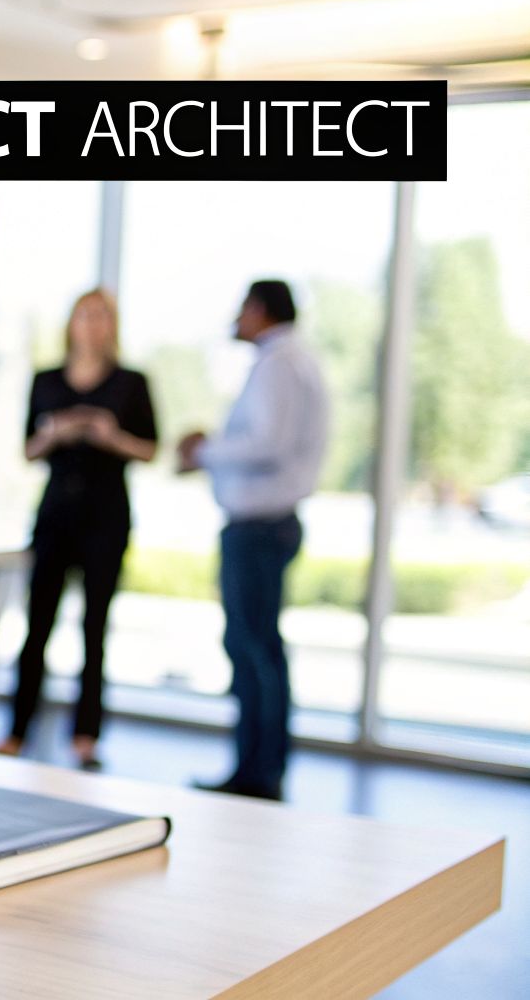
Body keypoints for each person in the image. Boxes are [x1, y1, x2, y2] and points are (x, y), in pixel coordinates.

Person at [0, 290, 157, 770]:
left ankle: (85, 735)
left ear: (112, 325)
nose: (92, 325)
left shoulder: (131, 383)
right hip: (56, 511)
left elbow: (150, 448)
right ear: (71, 323)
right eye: (85, 315)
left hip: (106, 514)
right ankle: (17, 729)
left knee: (94, 628)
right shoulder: (47, 380)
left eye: (102, 316)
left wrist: (111, 436)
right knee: (36, 624)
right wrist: (55, 434)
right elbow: (27, 449)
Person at [178, 279, 329, 802]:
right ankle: (260, 766)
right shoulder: (290, 361)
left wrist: (205, 452)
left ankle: (256, 773)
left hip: (259, 527)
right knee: (259, 645)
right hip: (268, 524)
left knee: (253, 648)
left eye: (242, 308)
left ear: (260, 310)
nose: (237, 318)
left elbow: (268, 442)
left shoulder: (278, 364)